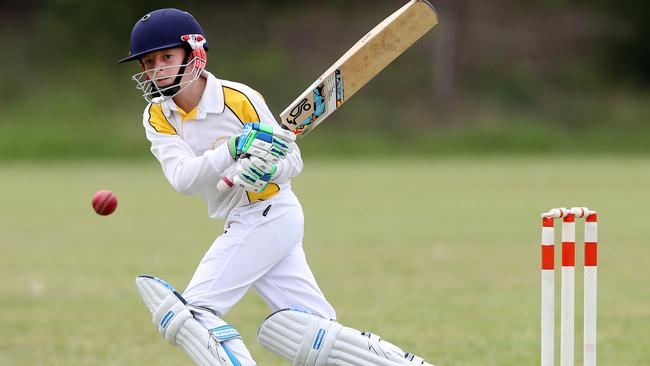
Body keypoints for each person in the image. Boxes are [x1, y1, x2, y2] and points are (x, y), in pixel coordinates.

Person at [121, 8, 433, 366]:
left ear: (194, 54)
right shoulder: (156, 115)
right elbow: (184, 179)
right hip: (245, 217)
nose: (155, 69)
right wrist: (233, 150)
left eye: (165, 57)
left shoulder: (239, 99)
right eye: (147, 62)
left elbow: (292, 161)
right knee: (312, 332)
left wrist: (269, 170)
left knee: (193, 314)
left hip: (269, 213)